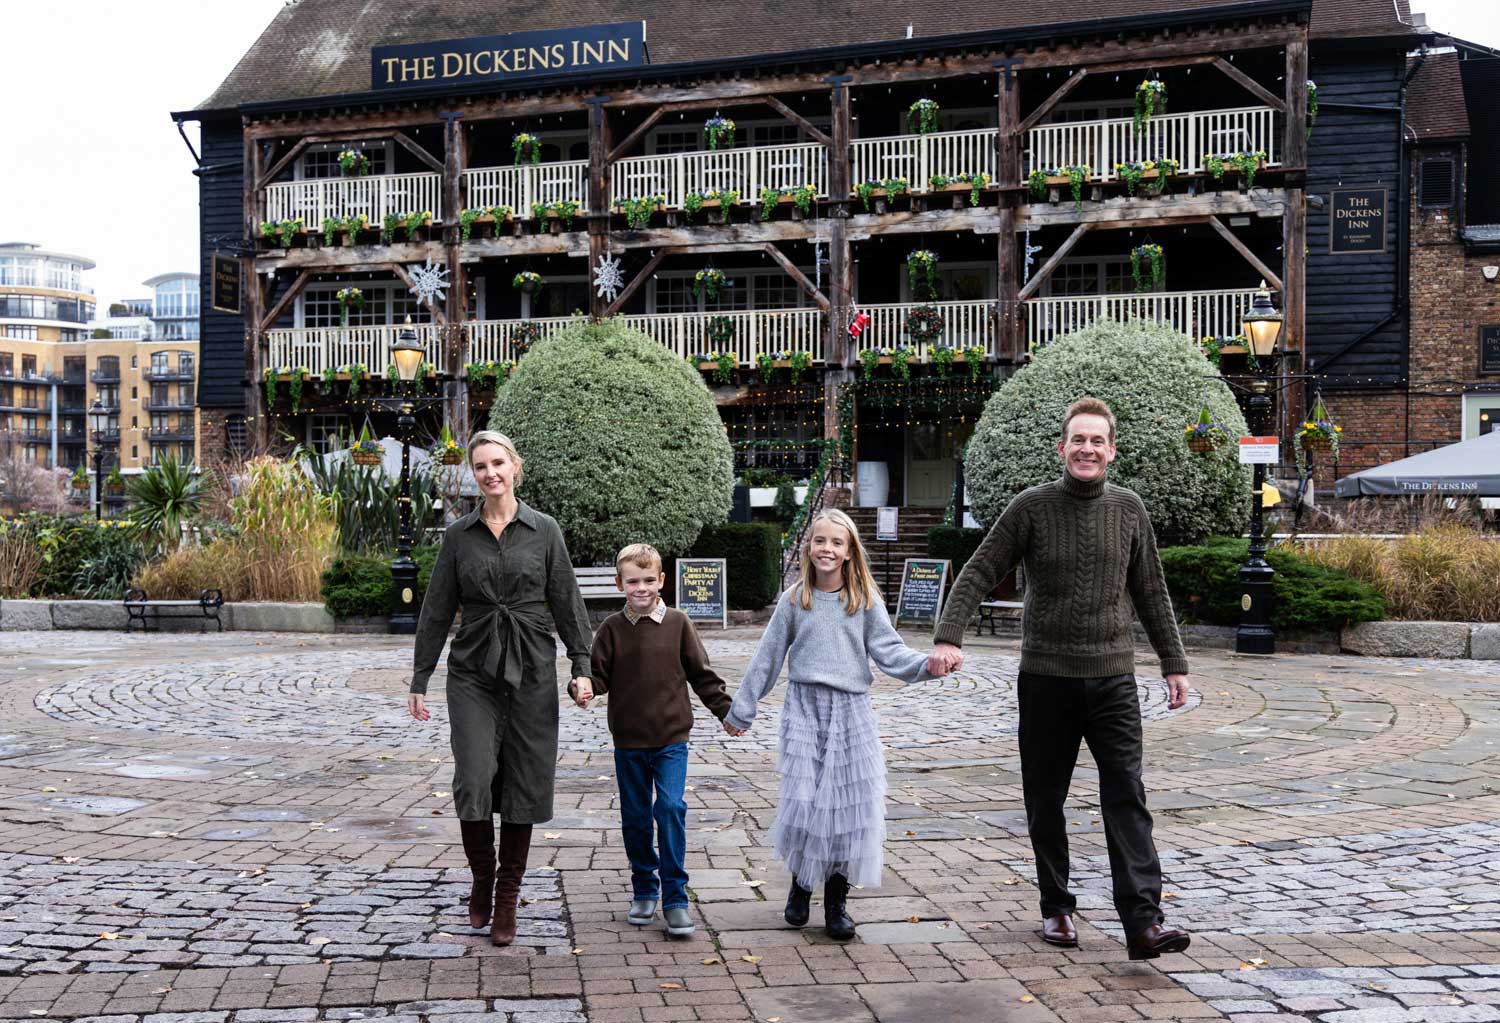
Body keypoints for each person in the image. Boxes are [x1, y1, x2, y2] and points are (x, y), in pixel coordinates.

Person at [928, 396, 1192, 961]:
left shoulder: (1129, 510)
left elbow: (1151, 591)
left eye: (1098, 441)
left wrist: (1175, 664)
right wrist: (949, 635)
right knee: (1045, 798)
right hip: (1046, 677)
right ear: (1062, 447)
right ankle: (1057, 907)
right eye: (1079, 440)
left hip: (1114, 679)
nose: (1088, 449)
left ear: (1112, 451)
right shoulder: (1031, 507)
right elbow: (979, 570)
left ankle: (1143, 922)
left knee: (1127, 795)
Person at [408, 430, 594, 947]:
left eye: (498, 463)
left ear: (515, 466)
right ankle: (482, 878)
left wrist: (583, 665)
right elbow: (437, 610)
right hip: (473, 670)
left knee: (524, 782)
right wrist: (421, 676)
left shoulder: (544, 530)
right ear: (474, 474)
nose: (490, 473)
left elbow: (567, 602)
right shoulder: (458, 536)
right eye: (480, 466)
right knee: (473, 776)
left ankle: (508, 895)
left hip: (533, 666)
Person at [724, 508, 933, 940]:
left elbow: (892, 653)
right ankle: (800, 889)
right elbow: (767, 658)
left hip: (851, 712)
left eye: (837, 543)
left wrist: (929, 664)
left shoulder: (864, 600)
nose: (827, 549)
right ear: (809, 547)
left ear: (850, 551)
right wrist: (741, 708)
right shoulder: (794, 599)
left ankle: (836, 904)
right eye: (821, 541)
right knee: (805, 802)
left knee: (846, 809)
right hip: (804, 709)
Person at [567, 543, 734, 939]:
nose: (640, 588)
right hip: (628, 741)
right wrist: (582, 687)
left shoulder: (678, 623)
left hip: (671, 738)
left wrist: (727, 711)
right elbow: (597, 676)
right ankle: (644, 886)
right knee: (637, 817)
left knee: (671, 808)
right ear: (620, 584)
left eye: (648, 580)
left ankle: (675, 896)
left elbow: (702, 674)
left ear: (661, 580)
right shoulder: (610, 629)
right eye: (632, 582)